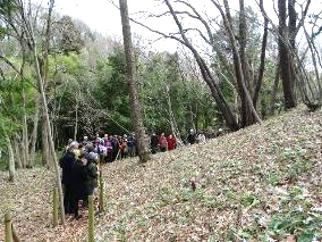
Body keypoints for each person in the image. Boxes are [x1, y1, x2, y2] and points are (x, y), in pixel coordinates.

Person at [59, 141, 77, 214]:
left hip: (65, 178)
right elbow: (74, 168)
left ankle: (65, 209)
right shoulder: (72, 158)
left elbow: (61, 164)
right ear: (72, 149)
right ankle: (71, 210)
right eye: (75, 148)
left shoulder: (63, 158)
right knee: (72, 195)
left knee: (66, 195)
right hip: (72, 179)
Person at [71, 154, 86, 219]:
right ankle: (79, 214)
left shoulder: (74, 164)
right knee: (80, 199)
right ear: (82, 158)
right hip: (80, 185)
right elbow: (84, 176)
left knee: (75, 199)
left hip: (73, 183)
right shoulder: (81, 166)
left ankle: (75, 213)